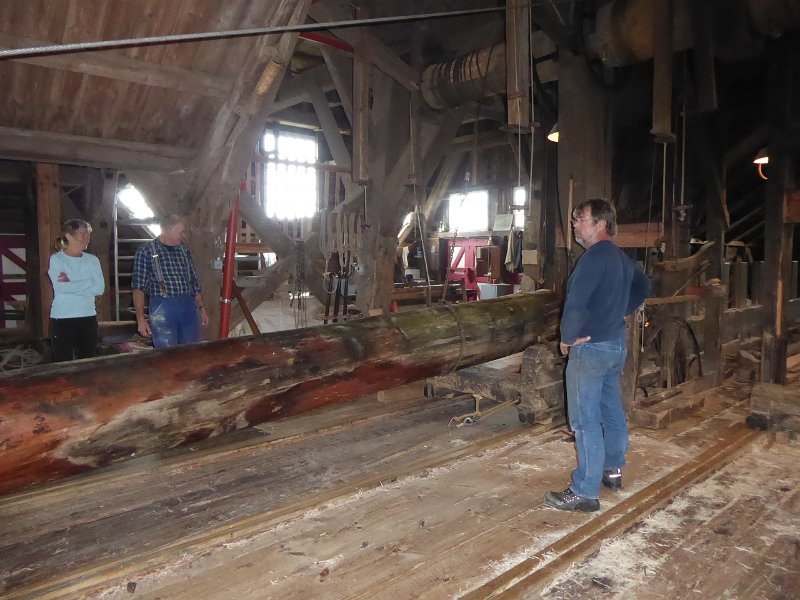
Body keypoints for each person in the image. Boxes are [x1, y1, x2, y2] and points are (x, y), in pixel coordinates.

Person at [545, 197, 650, 513]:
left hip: (589, 349)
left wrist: (566, 339)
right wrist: (621, 310)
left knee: (585, 420)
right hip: (615, 344)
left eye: (580, 219)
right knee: (611, 411)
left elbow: (575, 304)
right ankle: (612, 470)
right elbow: (644, 286)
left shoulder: (592, 259)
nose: (575, 224)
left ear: (601, 223)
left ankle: (584, 492)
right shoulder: (621, 259)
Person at [132, 214, 209, 348]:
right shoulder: (146, 251)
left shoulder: (184, 250)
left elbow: (194, 283)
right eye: (181, 232)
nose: (184, 236)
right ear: (167, 230)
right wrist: (140, 319)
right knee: (167, 355)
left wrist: (202, 308)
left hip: (188, 308)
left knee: (191, 351)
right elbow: (138, 288)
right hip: (163, 309)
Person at [48, 219, 105, 361]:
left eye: (88, 235)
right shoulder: (57, 260)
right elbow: (61, 288)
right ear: (69, 236)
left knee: (88, 361)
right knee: (62, 363)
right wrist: (88, 282)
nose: (87, 238)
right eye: (83, 234)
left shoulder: (92, 260)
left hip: (88, 316)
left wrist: (72, 283)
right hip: (62, 318)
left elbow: (99, 288)